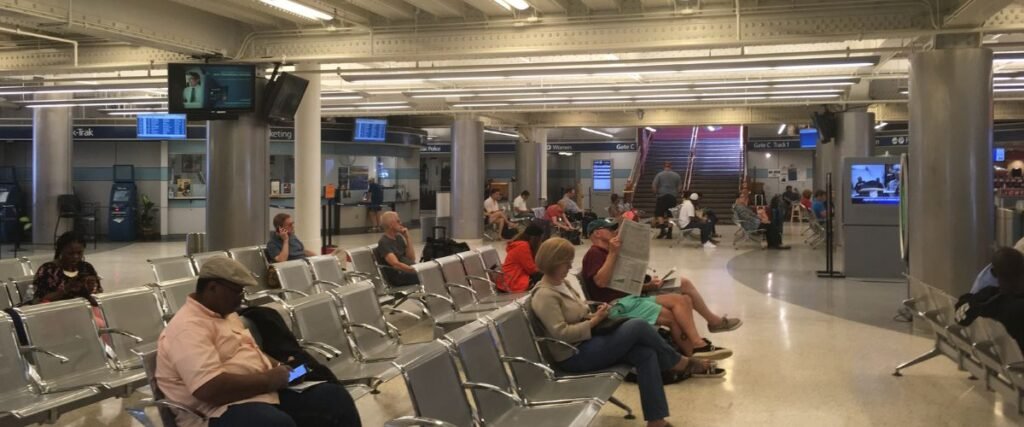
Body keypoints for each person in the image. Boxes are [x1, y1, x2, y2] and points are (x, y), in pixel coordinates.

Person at [530, 237, 724, 427]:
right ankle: (679, 362)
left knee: (645, 354)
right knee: (637, 326)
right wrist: (593, 322)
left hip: (588, 343)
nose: (569, 267)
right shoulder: (545, 295)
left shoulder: (562, 284)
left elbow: (578, 315)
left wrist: (594, 316)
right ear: (554, 263)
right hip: (574, 355)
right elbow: (561, 334)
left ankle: (656, 420)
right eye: (567, 263)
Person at [156, 258, 361, 427]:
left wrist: (284, 369)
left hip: (258, 394)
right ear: (212, 288)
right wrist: (270, 379)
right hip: (215, 412)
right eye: (238, 292)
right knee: (273, 424)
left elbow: (249, 353)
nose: (242, 300)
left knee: (333, 398)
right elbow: (210, 389)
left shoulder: (224, 315)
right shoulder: (187, 329)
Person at [582, 219, 738, 358]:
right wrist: (613, 254)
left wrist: (647, 285)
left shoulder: (608, 253)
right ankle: (696, 349)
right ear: (597, 233)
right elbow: (601, 281)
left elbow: (618, 282)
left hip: (630, 298)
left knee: (684, 300)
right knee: (673, 312)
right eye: (610, 229)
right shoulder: (594, 253)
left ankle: (696, 350)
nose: (615, 232)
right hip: (617, 305)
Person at [956, 247, 1024, 354]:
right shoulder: (1013, 307)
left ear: (994, 273)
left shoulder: (987, 298)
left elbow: (960, 318)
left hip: (1000, 357)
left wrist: (973, 305)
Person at [32, 232, 103, 304]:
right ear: (61, 251)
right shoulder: (48, 270)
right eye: (70, 253)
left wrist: (91, 289)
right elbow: (40, 300)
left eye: (79, 253)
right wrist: (66, 288)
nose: (76, 257)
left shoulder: (86, 268)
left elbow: (98, 295)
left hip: (80, 311)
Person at [376, 211, 420, 286]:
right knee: (425, 276)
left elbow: (411, 258)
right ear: (391, 225)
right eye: (398, 221)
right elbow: (396, 264)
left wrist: (407, 238)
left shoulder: (399, 237)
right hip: (398, 275)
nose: (401, 223)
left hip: (407, 270)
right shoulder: (384, 242)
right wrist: (414, 270)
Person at [500, 224, 545, 293]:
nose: (540, 243)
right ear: (536, 239)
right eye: (540, 240)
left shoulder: (520, 244)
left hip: (510, 277)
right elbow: (531, 269)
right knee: (546, 278)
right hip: (513, 280)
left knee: (545, 277)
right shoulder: (523, 246)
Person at [651, 162, 681, 239]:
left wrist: (656, 193)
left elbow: (654, 185)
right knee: (671, 215)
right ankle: (669, 233)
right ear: (671, 166)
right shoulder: (676, 175)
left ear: (664, 166)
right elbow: (679, 187)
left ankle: (662, 231)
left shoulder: (659, 174)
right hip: (672, 197)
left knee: (659, 214)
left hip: (662, 196)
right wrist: (675, 194)